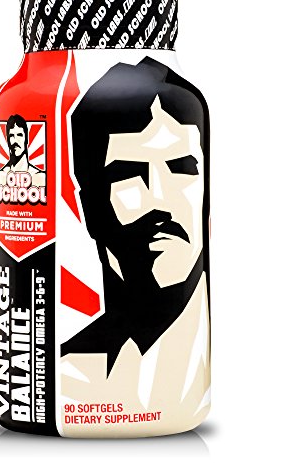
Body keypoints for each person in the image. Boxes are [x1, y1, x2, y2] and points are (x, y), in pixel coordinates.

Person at [62, 57, 209, 376]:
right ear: (89, 206)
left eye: (182, 168)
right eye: (127, 174)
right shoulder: (65, 373)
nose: (159, 197)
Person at [0, 114, 45, 187]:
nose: (15, 140)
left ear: (26, 139)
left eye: (19, 135)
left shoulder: (39, 177)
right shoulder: (1, 176)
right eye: (11, 136)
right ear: (7, 140)